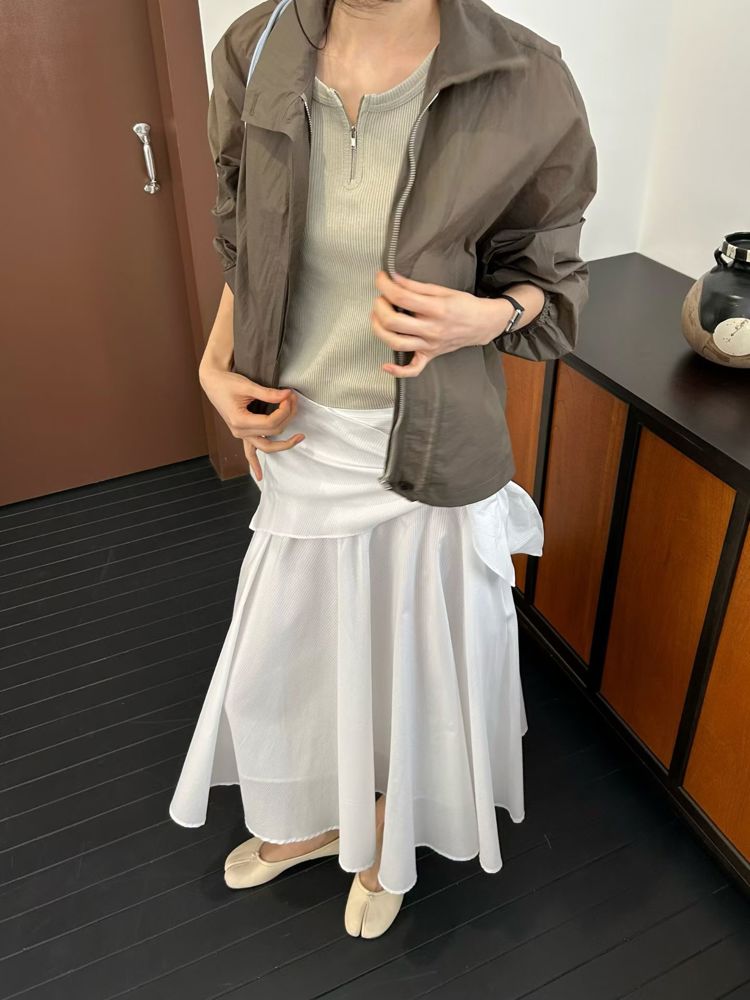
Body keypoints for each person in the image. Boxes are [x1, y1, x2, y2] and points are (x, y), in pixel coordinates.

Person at [170, 0, 597, 939]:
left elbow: (555, 285)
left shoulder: (525, 79)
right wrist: (215, 361)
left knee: (411, 658)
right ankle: (320, 811)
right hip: (300, 433)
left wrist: (486, 317)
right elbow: (246, 241)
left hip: (429, 438)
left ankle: (386, 831)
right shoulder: (257, 47)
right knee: (294, 647)